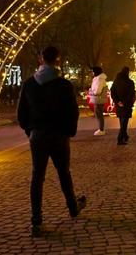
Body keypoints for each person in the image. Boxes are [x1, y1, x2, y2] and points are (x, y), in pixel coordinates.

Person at [17, 46, 87, 238]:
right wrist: (68, 132)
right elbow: (73, 112)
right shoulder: (64, 85)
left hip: (38, 135)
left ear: (41, 59)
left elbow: (21, 113)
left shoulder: (30, 84)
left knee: (37, 177)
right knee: (64, 172)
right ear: (58, 60)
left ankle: (36, 220)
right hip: (58, 135)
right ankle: (72, 207)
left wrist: (30, 131)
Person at [110, 67, 136, 146]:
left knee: (122, 121)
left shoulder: (116, 82)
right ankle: (120, 139)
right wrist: (124, 102)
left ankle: (125, 136)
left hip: (119, 105)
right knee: (124, 123)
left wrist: (118, 102)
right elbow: (131, 94)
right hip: (126, 105)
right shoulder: (130, 82)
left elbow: (113, 93)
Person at [88, 66, 108, 136]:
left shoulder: (99, 79)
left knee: (99, 114)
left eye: (93, 71)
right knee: (98, 114)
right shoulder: (98, 78)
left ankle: (101, 129)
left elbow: (97, 91)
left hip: (98, 99)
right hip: (98, 99)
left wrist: (91, 91)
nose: (92, 73)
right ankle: (101, 129)